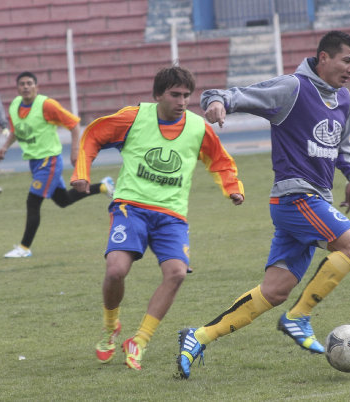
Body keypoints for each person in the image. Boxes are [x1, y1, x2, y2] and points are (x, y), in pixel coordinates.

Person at [177, 30, 350, 379]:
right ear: (323, 58)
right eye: (347, 60)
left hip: (314, 201)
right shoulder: (293, 88)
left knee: (275, 291)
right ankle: (299, 318)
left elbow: (342, 140)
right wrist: (217, 102)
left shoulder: (343, 98)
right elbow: (237, 94)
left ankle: (198, 336)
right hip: (296, 198)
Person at [70, 66, 245, 371]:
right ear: (158, 95)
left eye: (186, 95)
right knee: (115, 271)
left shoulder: (197, 127)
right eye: (175, 94)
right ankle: (111, 327)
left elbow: (220, 160)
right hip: (131, 208)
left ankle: (140, 340)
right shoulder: (134, 117)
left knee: (176, 273)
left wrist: (232, 188)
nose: (182, 101)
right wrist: (82, 173)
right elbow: (93, 135)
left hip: (171, 216)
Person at [0, 71, 113, 258]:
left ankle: (24, 248)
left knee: (32, 201)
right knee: (63, 200)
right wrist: (4, 146)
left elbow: (74, 124)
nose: (26, 87)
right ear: (17, 88)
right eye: (22, 84)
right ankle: (102, 186)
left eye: (29, 83)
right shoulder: (15, 106)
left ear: (37, 87)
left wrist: (75, 151)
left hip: (48, 162)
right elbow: (16, 131)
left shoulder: (47, 105)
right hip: (35, 162)